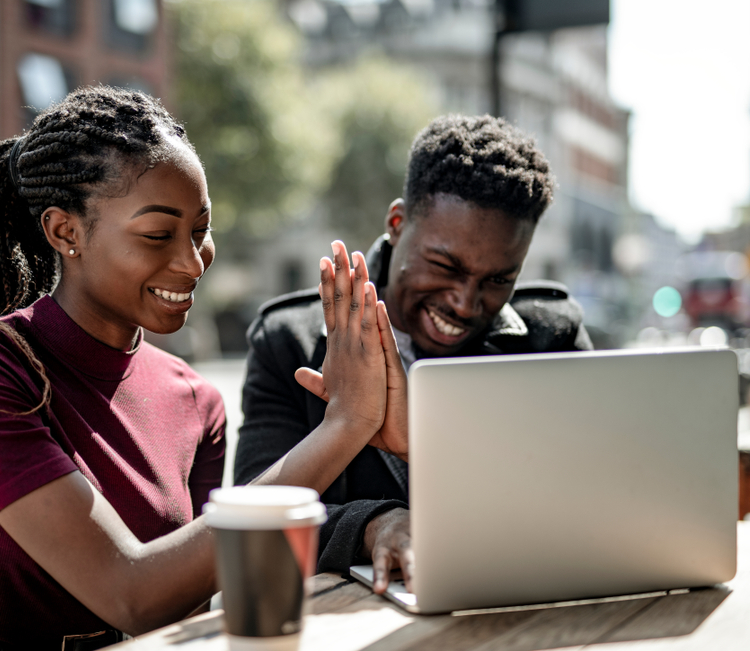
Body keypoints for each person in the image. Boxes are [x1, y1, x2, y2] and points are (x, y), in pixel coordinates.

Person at [0, 86, 404, 651]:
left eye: (200, 230)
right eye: (158, 235)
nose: (193, 263)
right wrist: (344, 426)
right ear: (65, 232)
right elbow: (133, 595)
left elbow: (179, 614)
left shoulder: (196, 399)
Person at [235, 114, 592, 594]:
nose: (465, 303)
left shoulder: (552, 337)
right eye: (445, 265)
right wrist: (372, 525)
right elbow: (255, 514)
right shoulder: (289, 342)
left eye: (497, 280)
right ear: (398, 223)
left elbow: (588, 497)